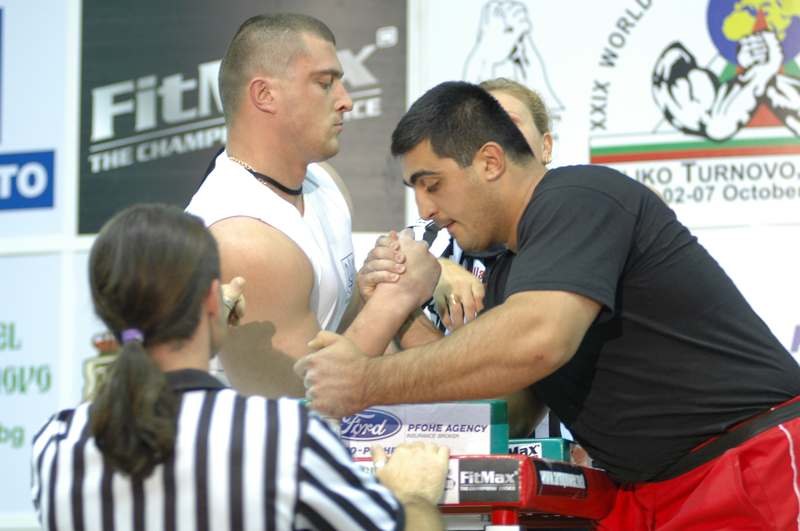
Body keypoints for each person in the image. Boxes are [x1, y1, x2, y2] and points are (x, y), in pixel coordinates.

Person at [296, 81, 800, 529]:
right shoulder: (509, 270)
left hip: (748, 468)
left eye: (433, 184)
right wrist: (405, 308)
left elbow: (539, 339)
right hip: (653, 490)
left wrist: (366, 381)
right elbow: (510, 410)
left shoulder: (580, 196)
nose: (425, 209)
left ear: (490, 162)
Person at [31, 204, 448, 531]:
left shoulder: (57, 446)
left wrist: (206, 318)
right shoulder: (281, 435)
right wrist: (411, 497)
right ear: (211, 299)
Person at [186, 14, 438, 396]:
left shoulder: (325, 184)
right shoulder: (243, 236)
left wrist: (378, 283)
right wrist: (398, 295)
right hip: (247, 433)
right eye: (325, 83)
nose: (346, 101)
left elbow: (340, 327)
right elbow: (303, 402)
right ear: (264, 95)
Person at [401, 78, 558, 439]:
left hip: (570, 454)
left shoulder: (577, 221)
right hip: (457, 448)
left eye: (510, 124)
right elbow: (385, 263)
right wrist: (431, 269)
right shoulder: (429, 237)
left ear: (546, 147)